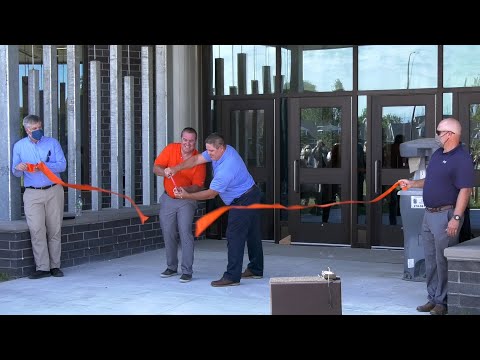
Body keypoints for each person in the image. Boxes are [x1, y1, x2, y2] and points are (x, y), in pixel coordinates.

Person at [164, 132, 263, 287]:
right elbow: (196, 159)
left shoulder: (227, 168)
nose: (208, 154)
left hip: (244, 199)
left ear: (221, 148)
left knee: (233, 235)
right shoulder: (222, 151)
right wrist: (176, 168)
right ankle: (256, 269)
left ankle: (232, 276)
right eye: (207, 150)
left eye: (211, 151)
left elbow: (211, 194)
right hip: (251, 193)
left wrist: (186, 195)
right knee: (252, 233)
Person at [399, 118, 474, 315]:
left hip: (445, 215)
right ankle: (432, 297)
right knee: (431, 259)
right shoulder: (438, 154)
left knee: (443, 260)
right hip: (429, 214)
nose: (436, 135)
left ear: (450, 135)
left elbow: (465, 190)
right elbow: (430, 180)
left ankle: (443, 302)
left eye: (439, 131)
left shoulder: (462, 158)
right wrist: (412, 183)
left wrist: (456, 218)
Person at [11, 114, 67, 279]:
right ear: (27, 129)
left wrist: (44, 166)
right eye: (34, 128)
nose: (38, 131)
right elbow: (15, 172)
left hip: (53, 190)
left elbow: (62, 165)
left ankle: (55, 266)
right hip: (32, 193)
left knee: (54, 229)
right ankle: (42, 267)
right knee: (36, 230)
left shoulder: (52, 143)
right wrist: (19, 167)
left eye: (39, 127)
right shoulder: (19, 146)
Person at [153, 127, 206, 283]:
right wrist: (165, 172)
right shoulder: (171, 149)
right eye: (185, 140)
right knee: (168, 232)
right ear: (181, 139)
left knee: (185, 233)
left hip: (186, 199)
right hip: (168, 198)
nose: (187, 143)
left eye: (191, 141)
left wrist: (185, 190)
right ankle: (171, 267)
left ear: (195, 142)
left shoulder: (199, 159)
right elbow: (156, 168)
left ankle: (187, 271)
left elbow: (198, 186)